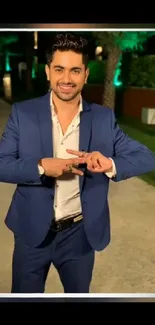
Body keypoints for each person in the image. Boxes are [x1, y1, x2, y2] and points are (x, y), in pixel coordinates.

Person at [0, 32, 155, 294]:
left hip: (80, 235)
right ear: (48, 71)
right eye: (59, 69)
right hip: (31, 233)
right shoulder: (23, 113)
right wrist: (41, 166)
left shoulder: (103, 119)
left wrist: (110, 164)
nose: (67, 79)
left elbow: (146, 157)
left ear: (85, 75)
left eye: (75, 71)